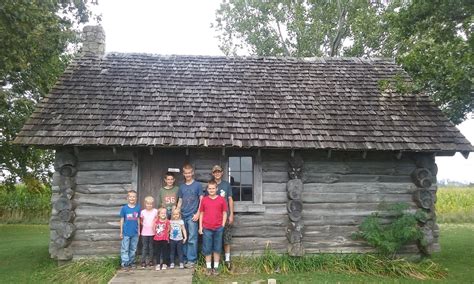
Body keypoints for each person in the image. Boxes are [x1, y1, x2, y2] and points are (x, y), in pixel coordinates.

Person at [176, 163, 203, 268]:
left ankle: (192, 260)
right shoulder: (181, 187)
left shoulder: (197, 185)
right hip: (182, 215)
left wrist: (198, 213)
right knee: (184, 237)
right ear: (183, 174)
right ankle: (185, 258)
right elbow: (180, 201)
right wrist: (177, 212)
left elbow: (201, 200)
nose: (188, 175)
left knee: (192, 238)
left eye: (189, 173)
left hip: (192, 216)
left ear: (192, 173)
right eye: (186, 173)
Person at [199, 180, 227, 276]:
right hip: (207, 228)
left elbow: (224, 213)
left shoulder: (221, 199)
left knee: (217, 248)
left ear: (217, 189)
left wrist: (223, 225)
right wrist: (200, 227)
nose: (211, 190)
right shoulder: (204, 200)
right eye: (209, 188)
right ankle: (208, 268)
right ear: (207, 189)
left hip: (218, 228)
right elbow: (201, 213)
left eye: (213, 188)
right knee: (207, 248)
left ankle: (215, 267)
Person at [210, 165, 234, 269]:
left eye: (219, 171)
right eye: (215, 172)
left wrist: (232, 214)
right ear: (213, 173)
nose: (217, 173)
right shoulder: (210, 185)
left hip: (225, 215)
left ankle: (227, 260)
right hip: (214, 217)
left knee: (226, 238)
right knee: (214, 239)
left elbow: (230, 199)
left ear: (222, 172)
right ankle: (215, 261)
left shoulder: (226, 185)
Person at [119, 190, 141, 271]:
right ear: (127, 198)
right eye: (130, 196)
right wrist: (121, 232)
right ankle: (125, 263)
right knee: (125, 248)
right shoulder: (124, 208)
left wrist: (139, 230)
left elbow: (138, 219)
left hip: (135, 233)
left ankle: (132, 262)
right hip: (126, 232)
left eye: (134, 196)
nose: (132, 198)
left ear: (136, 198)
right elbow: (122, 220)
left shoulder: (138, 207)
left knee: (133, 248)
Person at [140, 196, 158, 268]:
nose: (149, 205)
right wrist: (145, 225)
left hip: (153, 233)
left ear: (153, 204)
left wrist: (154, 226)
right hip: (144, 233)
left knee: (151, 247)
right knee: (145, 247)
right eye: (147, 204)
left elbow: (157, 219)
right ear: (145, 204)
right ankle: (143, 261)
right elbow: (141, 221)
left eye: (150, 204)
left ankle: (151, 261)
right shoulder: (143, 212)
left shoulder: (155, 211)